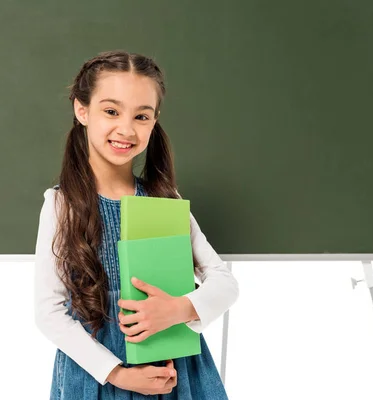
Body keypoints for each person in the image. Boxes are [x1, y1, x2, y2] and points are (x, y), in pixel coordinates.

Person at [34, 50, 239, 399]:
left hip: (175, 371)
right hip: (98, 376)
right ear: (82, 110)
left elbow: (224, 283)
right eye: (111, 111)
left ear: (155, 120)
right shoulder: (62, 203)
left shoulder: (164, 199)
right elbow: (48, 312)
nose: (126, 129)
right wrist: (115, 373)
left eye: (142, 116)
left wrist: (180, 308)